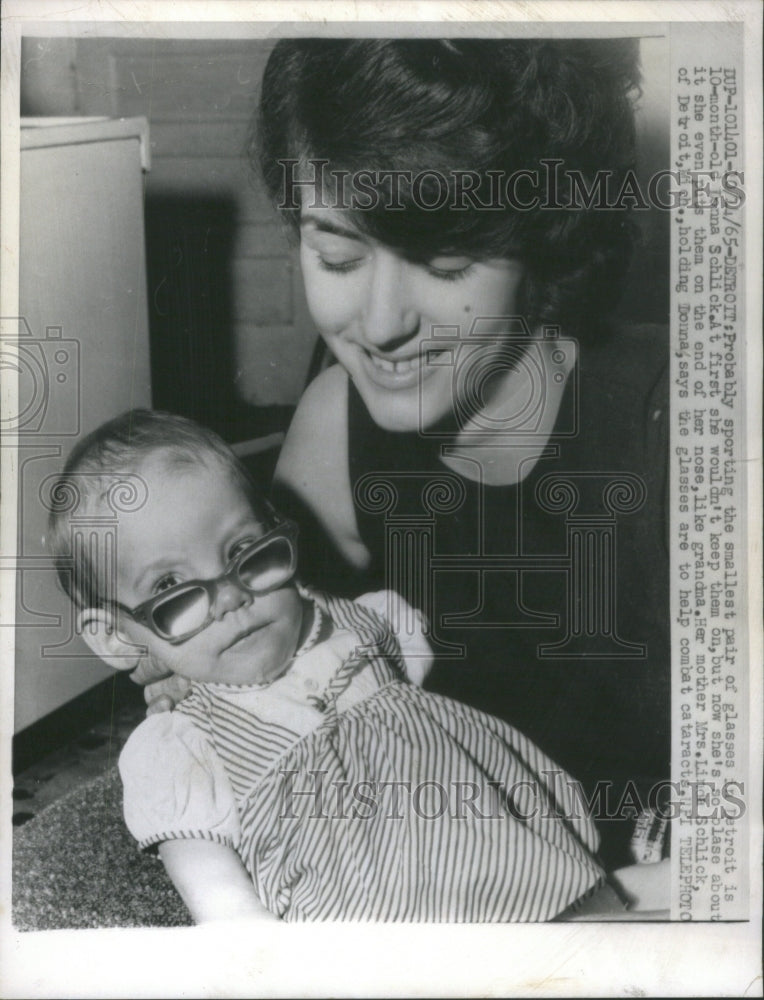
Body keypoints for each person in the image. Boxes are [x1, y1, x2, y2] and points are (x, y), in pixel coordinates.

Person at [254, 38, 671, 872]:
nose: (378, 325)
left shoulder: (681, 423)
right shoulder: (332, 430)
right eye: (335, 254)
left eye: (443, 263)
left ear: (546, 238)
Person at [48, 408, 627, 923]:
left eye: (240, 552)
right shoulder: (179, 745)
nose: (230, 596)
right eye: (171, 586)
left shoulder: (361, 623)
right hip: (373, 933)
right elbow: (220, 902)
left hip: (514, 871)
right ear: (115, 637)